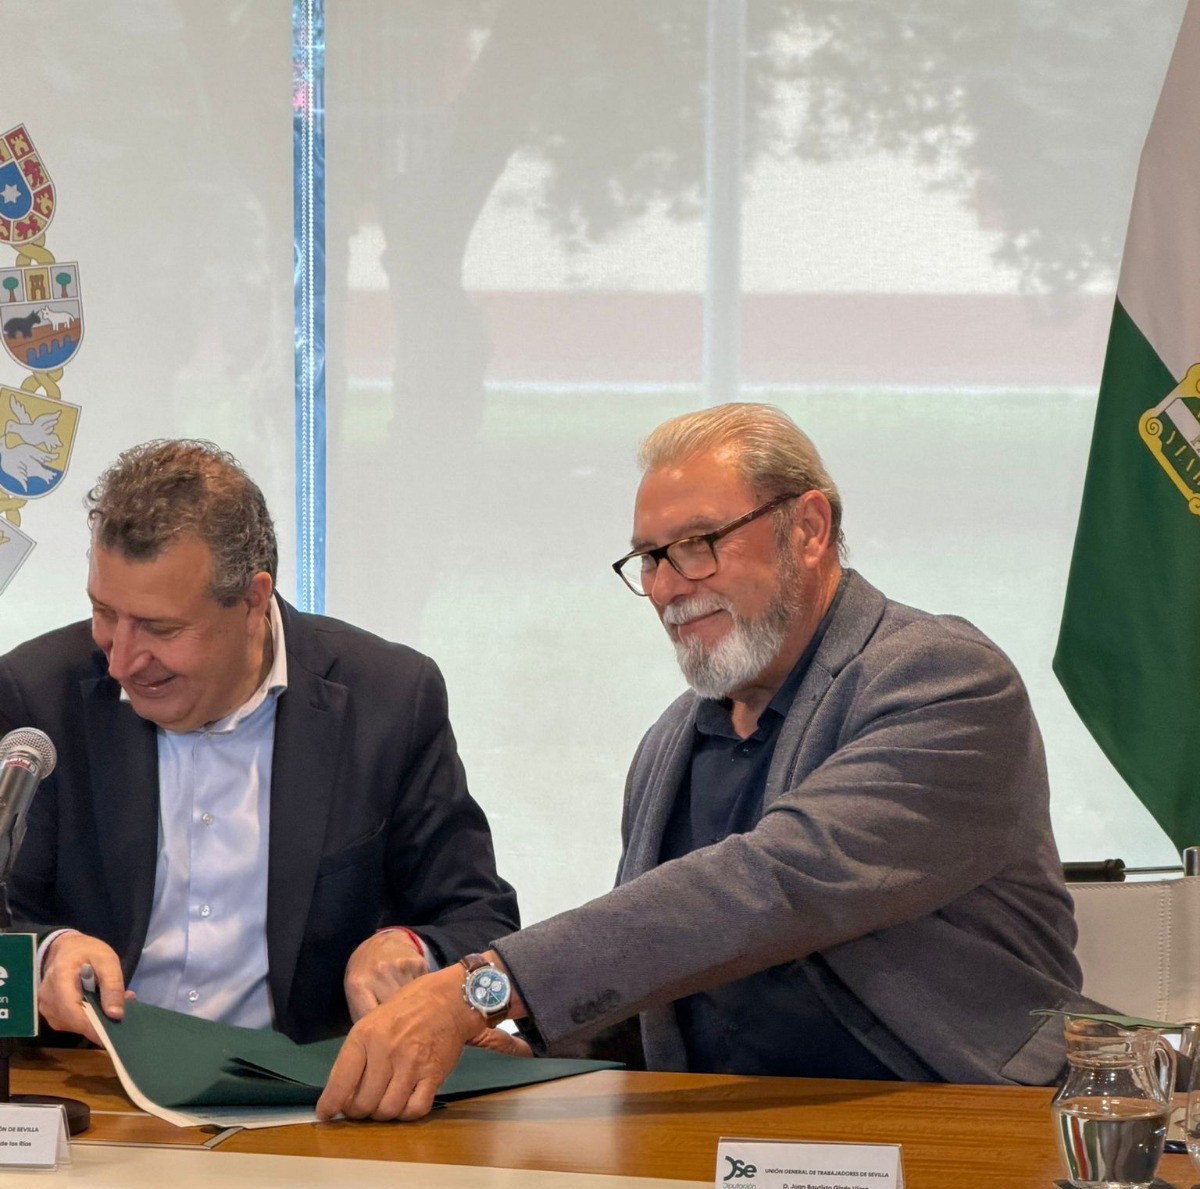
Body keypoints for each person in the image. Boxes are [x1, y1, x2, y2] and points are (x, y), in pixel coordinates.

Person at [316, 402, 1084, 1121]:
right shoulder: (671, 741)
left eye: (698, 545)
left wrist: (478, 991)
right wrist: (519, 1049)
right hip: (719, 1142)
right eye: (650, 557)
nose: (668, 587)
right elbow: (670, 964)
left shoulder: (943, 680)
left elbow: (772, 885)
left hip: (956, 1126)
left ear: (809, 529)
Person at [0, 438, 520, 1045]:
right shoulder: (36, 693)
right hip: (100, 1089)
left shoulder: (389, 698)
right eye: (104, 613)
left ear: (252, 601)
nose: (121, 660)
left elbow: (479, 920)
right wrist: (49, 955)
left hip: (314, 1099)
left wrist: (410, 949)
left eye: (161, 629)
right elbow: (12, 908)